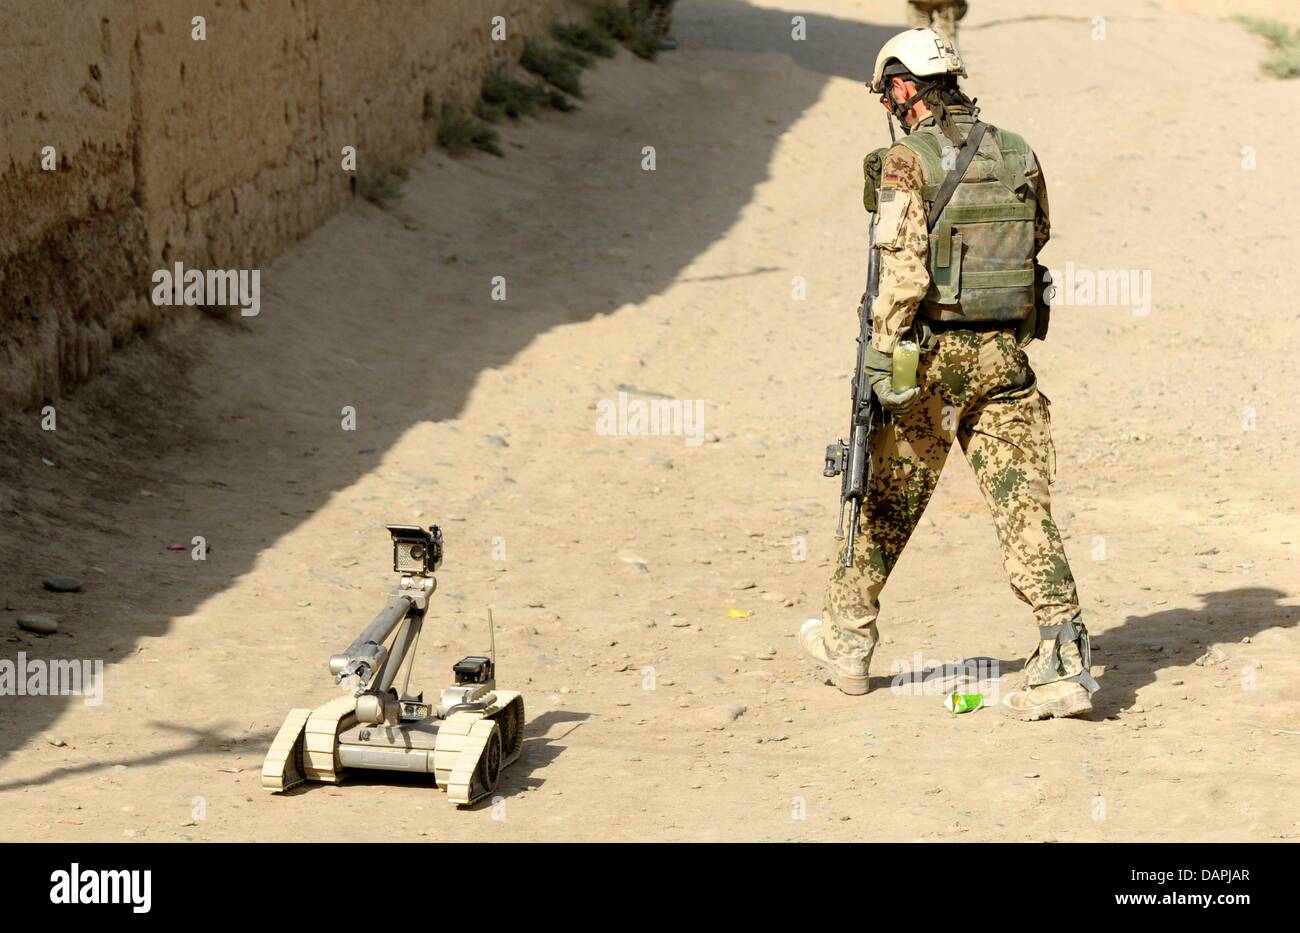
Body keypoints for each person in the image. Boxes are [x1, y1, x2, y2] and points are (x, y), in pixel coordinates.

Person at [798, 27, 1099, 721]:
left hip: (925, 362)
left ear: (905, 88)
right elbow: (1038, 233)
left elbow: (900, 273)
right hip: (1003, 359)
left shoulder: (907, 161)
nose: (889, 108)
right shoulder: (1017, 148)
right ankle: (1061, 657)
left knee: (887, 503)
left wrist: (880, 360)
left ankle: (847, 641)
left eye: (888, 96)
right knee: (1024, 506)